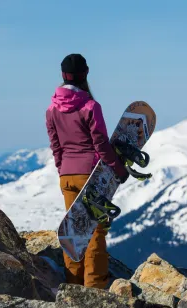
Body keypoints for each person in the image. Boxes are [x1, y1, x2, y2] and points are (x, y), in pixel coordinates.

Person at [46, 53, 128, 289]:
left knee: (72, 233)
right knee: (94, 233)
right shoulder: (90, 106)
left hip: (67, 177)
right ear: (86, 74)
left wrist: (63, 170)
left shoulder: (52, 109)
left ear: (63, 75)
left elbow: (56, 146)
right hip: (89, 176)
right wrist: (118, 169)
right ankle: (94, 289)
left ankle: (73, 285)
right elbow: (101, 143)